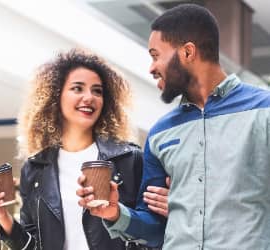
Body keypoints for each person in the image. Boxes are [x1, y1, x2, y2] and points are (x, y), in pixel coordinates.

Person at [77, 3, 270, 249]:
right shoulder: (160, 133)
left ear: (188, 53)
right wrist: (115, 213)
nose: (151, 67)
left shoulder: (264, 111)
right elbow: (156, 229)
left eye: (156, 55)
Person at [0, 48, 169, 250]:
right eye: (78, 88)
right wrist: (2, 216)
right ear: (56, 96)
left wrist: (117, 213)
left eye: (97, 91)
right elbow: (34, 246)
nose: (89, 97)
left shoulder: (129, 159)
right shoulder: (35, 168)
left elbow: (155, 235)